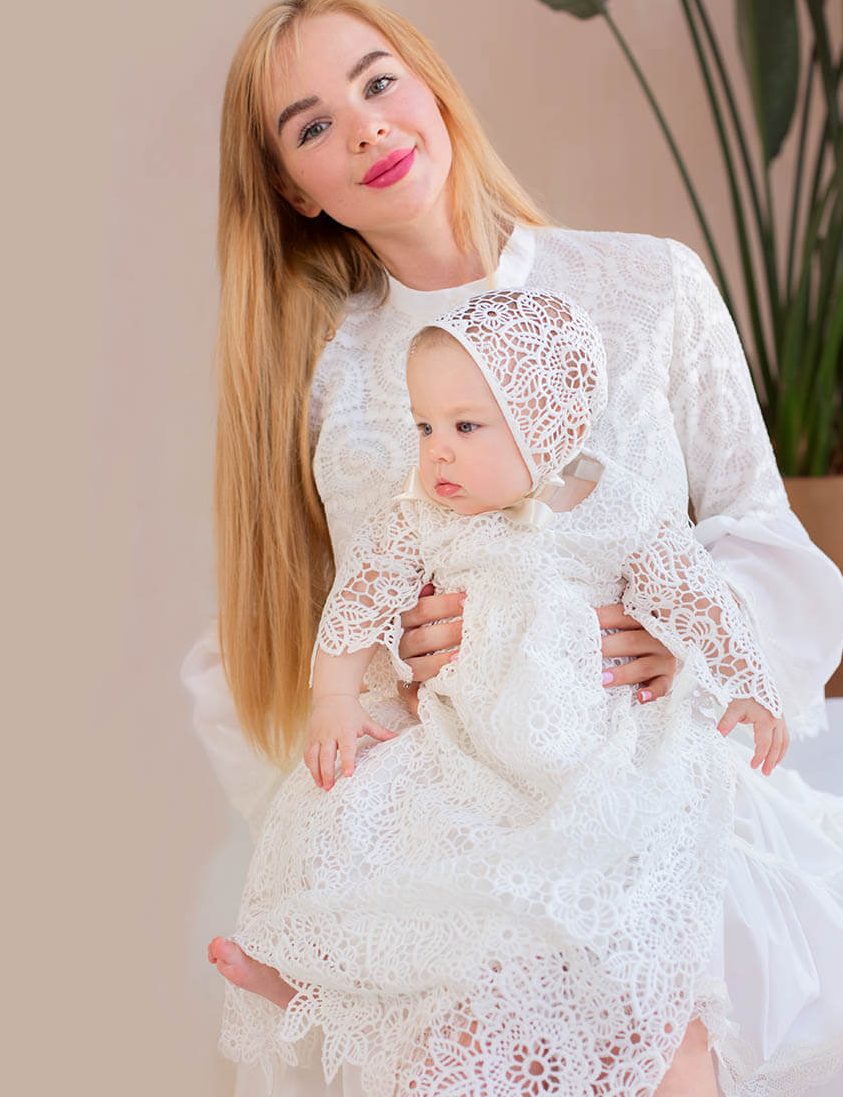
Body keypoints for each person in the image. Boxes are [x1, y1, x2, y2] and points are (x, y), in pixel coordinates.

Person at [187, 0, 843, 1096]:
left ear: (430, 86)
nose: (366, 125)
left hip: (651, 766)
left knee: (648, 989)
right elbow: (366, 615)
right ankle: (361, 984)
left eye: (377, 83)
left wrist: (694, 639)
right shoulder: (335, 385)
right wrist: (403, 661)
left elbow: (759, 531)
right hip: (473, 790)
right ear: (295, 190)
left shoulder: (644, 285)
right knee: (484, 997)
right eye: (314, 125)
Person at [217, 286, 793, 1095]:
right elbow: (358, 602)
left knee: (618, 913)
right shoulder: (423, 519)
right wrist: (337, 699)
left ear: (544, 425)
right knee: (392, 844)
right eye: (424, 428)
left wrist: (748, 684)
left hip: (599, 749)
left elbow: (698, 594)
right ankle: (330, 982)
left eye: (464, 427)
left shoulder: (620, 508)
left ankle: (617, 1035)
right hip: (468, 749)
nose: (437, 452)